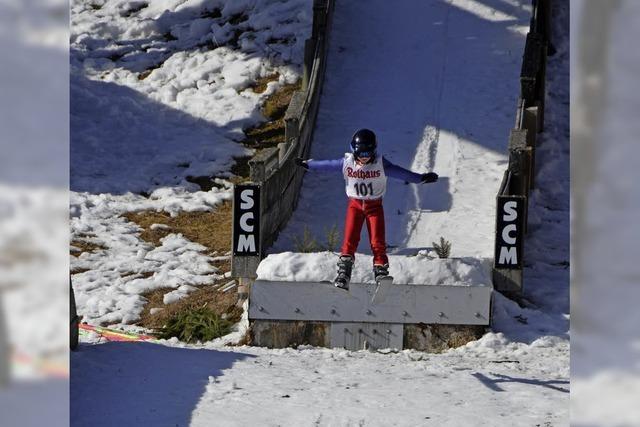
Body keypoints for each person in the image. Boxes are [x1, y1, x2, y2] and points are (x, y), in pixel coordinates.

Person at [295, 128, 438, 290]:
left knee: (378, 241)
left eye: (368, 154)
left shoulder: (380, 164)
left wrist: (420, 178)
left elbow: (400, 173)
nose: (364, 158)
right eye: (361, 154)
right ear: (354, 151)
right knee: (350, 239)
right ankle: (344, 274)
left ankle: (380, 271)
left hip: (374, 207)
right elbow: (329, 165)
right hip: (354, 206)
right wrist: (309, 165)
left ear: (374, 151)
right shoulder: (347, 163)